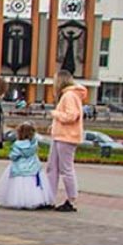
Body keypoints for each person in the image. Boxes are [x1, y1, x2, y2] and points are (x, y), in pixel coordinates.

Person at [47, 69, 86, 213]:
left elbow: (71, 116)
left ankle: (71, 199)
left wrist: (55, 114)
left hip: (66, 137)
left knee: (65, 169)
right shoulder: (69, 95)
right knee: (53, 168)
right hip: (60, 135)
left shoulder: (69, 95)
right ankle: (49, 197)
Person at [0, 122, 53, 210]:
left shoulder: (17, 144)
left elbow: (13, 156)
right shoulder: (34, 144)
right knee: (32, 185)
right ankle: (34, 200)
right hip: (33, 166)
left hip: (19, 167)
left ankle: (19, 201)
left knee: (18, 185)